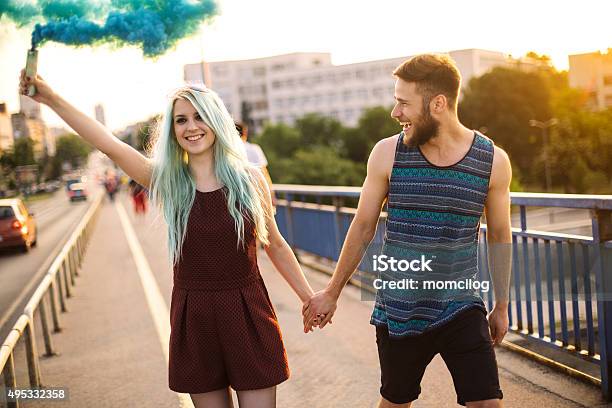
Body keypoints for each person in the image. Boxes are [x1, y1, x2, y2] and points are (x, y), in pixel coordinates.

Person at [20, 72, 315, 408]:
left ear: (217, 120)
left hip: (248, 311)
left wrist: (309, 297)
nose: (191, 126)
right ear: (173, 131)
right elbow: (107, 143)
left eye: (200, 116)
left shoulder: (250, 180)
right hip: (195, 317)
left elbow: (274, 244)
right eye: (181, 120)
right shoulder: (168, 182)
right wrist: (50, 97)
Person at [302, 54, 512, 408]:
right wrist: (332, 292)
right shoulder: (387, 154)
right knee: (396, 402)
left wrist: (502, 305)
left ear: (438, 104)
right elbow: (363, 226)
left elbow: (500, 235)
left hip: (460, 304)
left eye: (403, 103)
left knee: (488, 403)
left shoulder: (493, 160)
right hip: (400, 308)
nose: (394, 112)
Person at [235, 122, 276, 206]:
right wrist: (272, 195)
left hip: (236, 196)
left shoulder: (226, 151)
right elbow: (264, 173)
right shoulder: (254, 148)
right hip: (257, 194)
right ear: (245, 134)